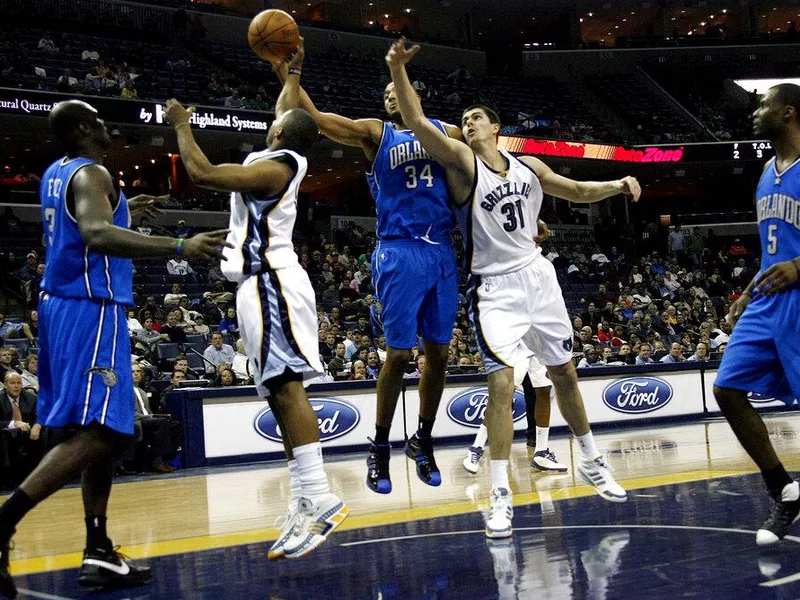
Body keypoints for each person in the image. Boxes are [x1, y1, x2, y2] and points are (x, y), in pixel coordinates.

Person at [387, 38, 639, 538]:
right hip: (495, 288)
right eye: (465, 118)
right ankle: (499, 493)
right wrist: (397, 69)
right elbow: (415, 122)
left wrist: (617, 184)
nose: (469, 121)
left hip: (539, 277)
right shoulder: (463, 163)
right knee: (501, 385)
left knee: (564, 373)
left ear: (497, 127)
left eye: (477, 116)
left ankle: (590, 458)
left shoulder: (529, 168)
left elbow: (575, 189)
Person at [0, 99, 229, 597]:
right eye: (98, 120)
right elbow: (96, 232)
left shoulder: (57, 173)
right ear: (84, 129)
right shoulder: (92, 173)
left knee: (103, 430)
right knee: (105, 432)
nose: (107, 125)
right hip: (90, 307)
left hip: (61, 306)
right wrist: (178, 247)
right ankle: (5, 522)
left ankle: (98, 552)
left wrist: (130, 208)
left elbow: (89, 222)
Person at [165, 39, 347, 560]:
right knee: (277, 392)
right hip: (259, 285)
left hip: (272, 281)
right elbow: (286, 110)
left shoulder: (276, 166)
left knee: (288, 389)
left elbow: (201, 175)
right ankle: (305, 497)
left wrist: (181, 123)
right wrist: (290, 72)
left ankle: (320, 497)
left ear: (279, 132)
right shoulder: (279, 150)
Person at [275, 41, 465, 496]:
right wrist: (294, 72)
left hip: (441, 249)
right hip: (399, 251)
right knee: (399, 356)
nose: (391, 99)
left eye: (397, 93)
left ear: (414, 96)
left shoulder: (449, 132)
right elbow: (315, 122)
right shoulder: (377, 134)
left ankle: (423, 438)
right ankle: (379, 446)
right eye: (385, 95)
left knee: (439, 355)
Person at [712, 84, 800, 546]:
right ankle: (783, 489)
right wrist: (747, 291)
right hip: (767, 299)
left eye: (763, 104)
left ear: (788, 114)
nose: (754, 111)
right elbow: (773, 244)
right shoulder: (767, 171)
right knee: (726, 389)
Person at [463, 356, 567, 475]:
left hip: (538, 343)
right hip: (517, 345)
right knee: (504, 392)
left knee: (544, 389)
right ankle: (476, 448)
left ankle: (541, 452)